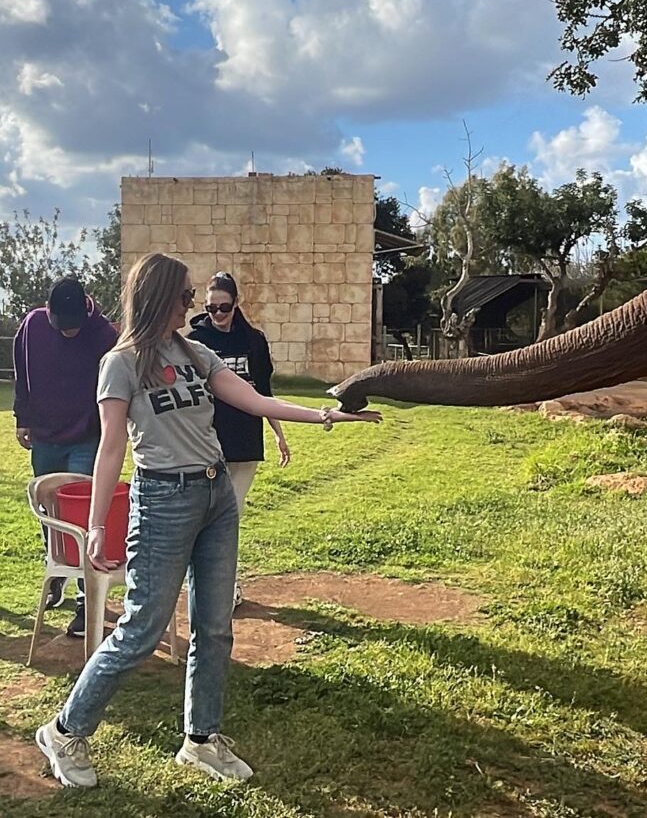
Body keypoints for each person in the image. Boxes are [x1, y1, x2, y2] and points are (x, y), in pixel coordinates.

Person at [35, 253, 381, 789]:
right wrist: (99, 523)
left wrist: (324, 414)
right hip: (163, 500)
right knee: (141, 630)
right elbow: (108, 450)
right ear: (158, 298)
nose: (194, 304)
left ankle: (201, 739)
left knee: (215, 627)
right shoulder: (120, 363)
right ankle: (63, 732)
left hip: (216, 493)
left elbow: (252, 399)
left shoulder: (194, 353)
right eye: (186, 296)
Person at [13, 278, 118, 637]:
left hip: (85, 439)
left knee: (84, 518)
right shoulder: (33, 325)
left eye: (74, 325)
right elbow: (21, 370)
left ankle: (85, 601)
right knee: (48, 513)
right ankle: (57, 572)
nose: (69, 331)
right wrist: (22, 417)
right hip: (44, 436)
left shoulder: (104, 335)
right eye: (62, 324)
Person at [187, 272, 289, 610]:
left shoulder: (253, 341)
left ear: (236, 304)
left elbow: (264, 393)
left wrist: (278, 433)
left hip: (244, 442)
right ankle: (203, 584)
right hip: (204, 442)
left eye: (224, 307)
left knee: (230, 516)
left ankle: (226, 585)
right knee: (202, 516)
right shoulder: (193, 341)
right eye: (210, 308)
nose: (217, 315)